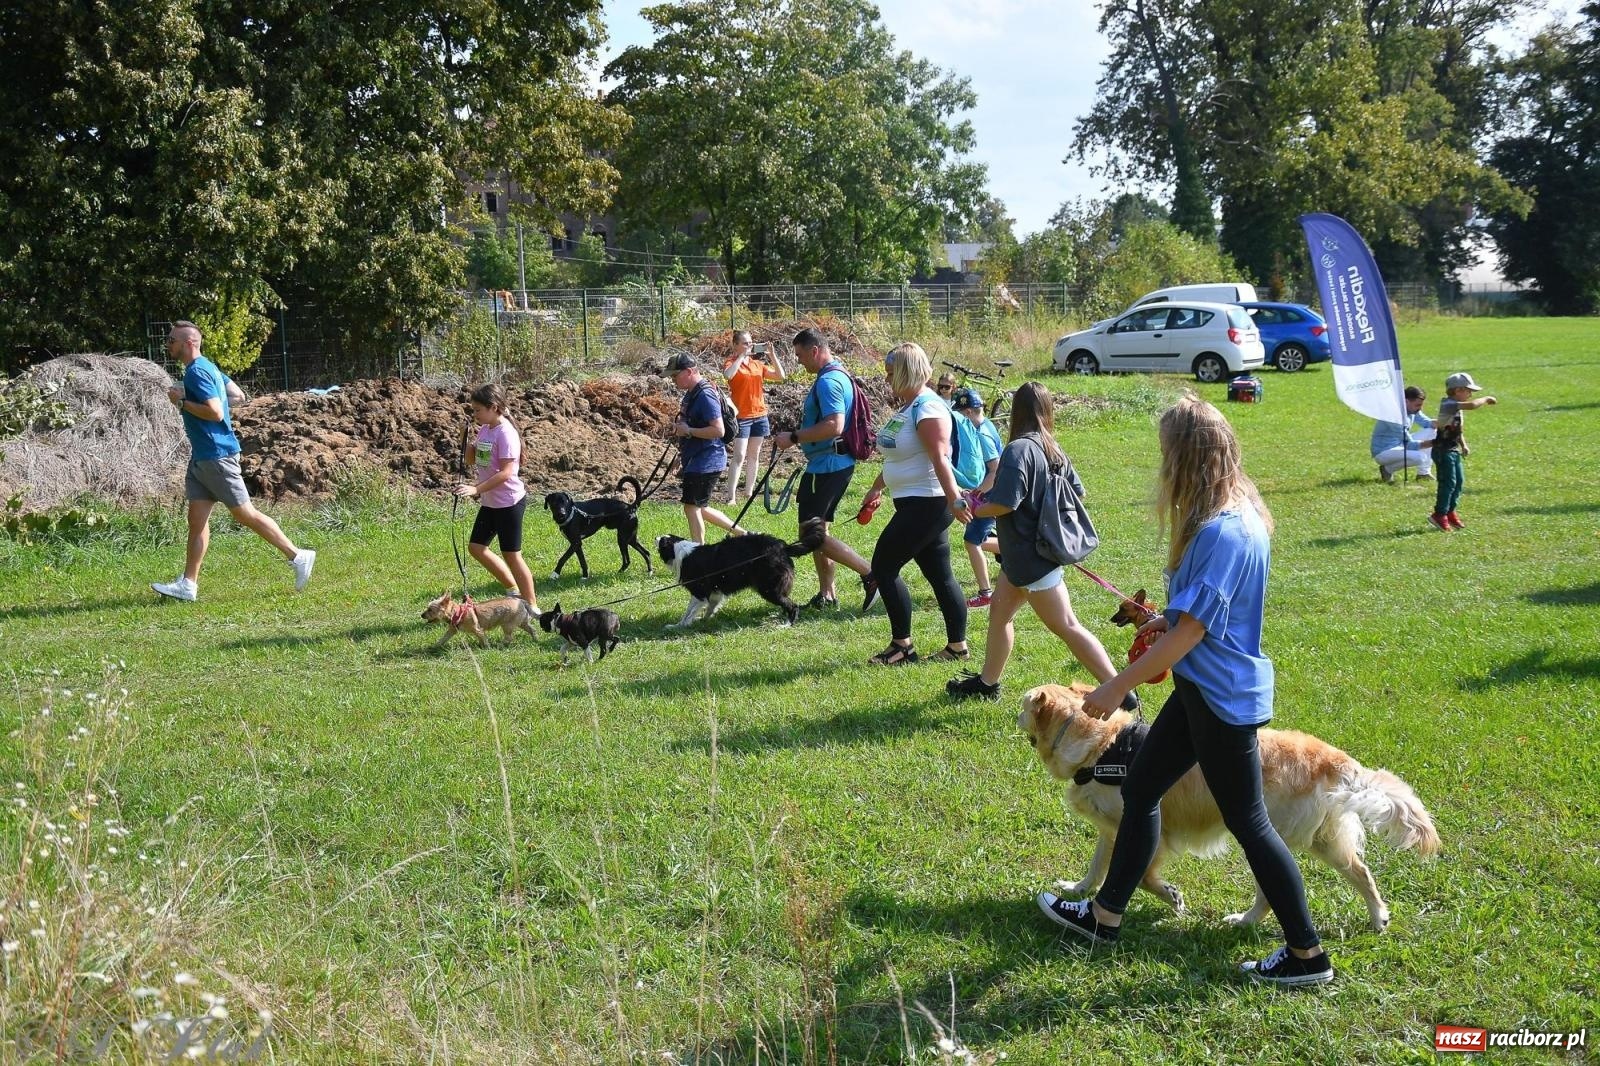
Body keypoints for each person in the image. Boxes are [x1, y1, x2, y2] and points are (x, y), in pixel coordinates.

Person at [1034, 393, 1334, 988]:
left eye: (1166, 452)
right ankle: (1104, 916)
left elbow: (1195, 633)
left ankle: (1307, 955)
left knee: (1249, 823)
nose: (1161, 464)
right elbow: (1194, 617)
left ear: (1187, 457)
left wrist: (1116, 686)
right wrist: (1162, 620)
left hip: (1221, 699)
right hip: (1203, 689)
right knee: (1143, 787)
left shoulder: (1227, 530)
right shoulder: (1233, 510)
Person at [945, 382, 1129, 707]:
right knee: (1000, 616)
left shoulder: (1018, 449)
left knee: (1068, 626)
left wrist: (974, 508)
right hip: (1022, 558)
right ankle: (988, 683)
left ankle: (1121, 691)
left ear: (1017, 411)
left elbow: (1005, 504)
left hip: (1032, 560)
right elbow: (1077, 492)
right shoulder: (1052, 448)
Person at [151, 321, 316, 602]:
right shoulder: (208, 368)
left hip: (216, 455)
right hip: (202, 457)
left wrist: (181, 402)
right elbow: (238, 396)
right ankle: (188, 584)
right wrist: (195, 397)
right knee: (196, 520)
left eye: (172, 339)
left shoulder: (198, 372)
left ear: (189, 343)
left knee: (244, 514)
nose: (168, 344)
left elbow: (215, 412)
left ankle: (298, 556)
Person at [854, 342, 969, 665]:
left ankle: (902, 646)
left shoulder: (929, 409)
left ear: (906, 373)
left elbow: (940, 458)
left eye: (892, 374)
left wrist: (955, 500)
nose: (888, 380)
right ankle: (957, 647)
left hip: (929, 503)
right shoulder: (908, 406)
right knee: (940, 575)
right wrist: (877, 488)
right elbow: (898, 456)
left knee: (883, 567)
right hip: (913, 502)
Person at [771, 328, 877, 610]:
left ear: (815, 351)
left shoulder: (828, 382)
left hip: (827, 466)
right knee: (819, 530)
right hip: (832, 463)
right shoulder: (839, 374)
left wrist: (793, 437)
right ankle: (827, 594)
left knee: (811, 534)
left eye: (801, 355)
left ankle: (870, 574)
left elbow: (834, 425)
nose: (799, 361)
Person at [453, 383, 540, 610]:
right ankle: (512, 589)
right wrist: (465, 439)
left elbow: (507, 472)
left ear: (493, 407)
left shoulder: (506, 433)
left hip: (509, 502)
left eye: (477, 410)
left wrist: (476, 489)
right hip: (491, 501)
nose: (474, 414)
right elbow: (472, 460)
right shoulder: (486, 428)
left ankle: (532, 606)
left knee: (512, 554)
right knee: (476, 547)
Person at [667, 353, 744, 542]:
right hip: (698, 458)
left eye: (674, 375)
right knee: (700, 507)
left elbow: (718, 430)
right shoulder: (691, 393)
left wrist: (688, 431)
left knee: (691, 507)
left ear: (689, 371)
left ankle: (698, 554)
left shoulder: (705, 395)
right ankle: (744, 535)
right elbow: (690, 427)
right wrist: (680, 453)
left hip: (707, 459)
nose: (672, 379)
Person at [950, 388, 1003, 608]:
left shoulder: (981, 434)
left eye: (962, 414)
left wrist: (977, 492)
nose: (960, 419)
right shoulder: (986, 424)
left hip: (990, 494)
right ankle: (1015, 547)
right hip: (992, 492)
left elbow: (995, 468)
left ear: (970, 412)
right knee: (976, 540)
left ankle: (985, 593)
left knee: (973, 542)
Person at [1429, 371, 1497, 531]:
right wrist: (1486, 399)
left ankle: (1450, 511)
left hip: (1452, 450)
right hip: (1442, 451)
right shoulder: (1448, 404)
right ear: (1458, 390)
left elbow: (1457, 430)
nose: (1471, 394)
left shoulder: (1457, 408)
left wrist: (1463, 445)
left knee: (1458, 482)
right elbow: (1473, 405)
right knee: (1448, 483)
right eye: (1469, 391)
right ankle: (1439, 514)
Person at [722, 330, 784, 504]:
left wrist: (772, 355)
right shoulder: (731, 362)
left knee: (754, 455)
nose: (749, 346)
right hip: (741, 416)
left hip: (759, 415)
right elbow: (728, 375)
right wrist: (741, 357)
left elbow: (780, 376)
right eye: (744, 343)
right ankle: (731, 497)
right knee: (739, 455)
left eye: (750, 343)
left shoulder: (758, 364)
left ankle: (749, 493)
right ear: (735, 345)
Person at [1370, 385, 1434, 482]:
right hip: (1383, 452)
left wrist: (1447, 424)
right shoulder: (1394, 416)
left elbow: (1428, 423)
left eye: (1421, 405)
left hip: (1400, 444)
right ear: (1406, 401)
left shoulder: (1412, 410)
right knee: (1420, 457)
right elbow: (1410, 444)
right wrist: (1438, 442)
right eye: (1417, 405)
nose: (1420, 408)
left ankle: (1423, 474)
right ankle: (1387, 469)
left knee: (1432, 431)